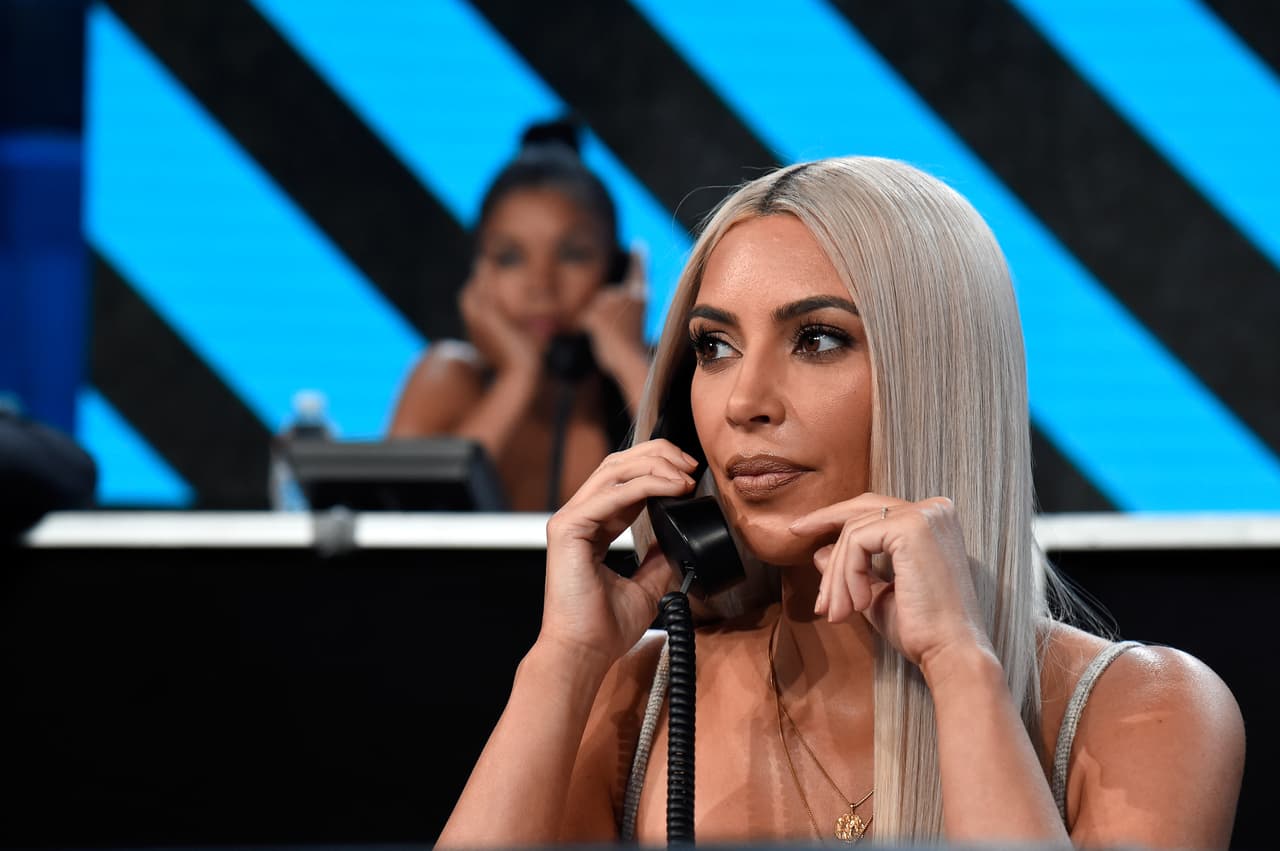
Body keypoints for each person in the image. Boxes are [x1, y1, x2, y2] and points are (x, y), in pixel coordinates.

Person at [437, 158, 1244, 847]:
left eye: (816, 339)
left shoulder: (1145, 710)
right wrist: (563, 660)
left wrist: (962, 670)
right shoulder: (634, 698)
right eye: (714, 347)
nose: (743, 400)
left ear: (939, 381)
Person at [388, 120, 650, 511]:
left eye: (572, 254)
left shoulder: (655, 377)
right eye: (511, 258)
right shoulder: (446, 379)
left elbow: (708, 514)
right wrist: (517, 376)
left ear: (616, 271)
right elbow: (398, 530)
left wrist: (631, 363)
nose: (541, 285)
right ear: (479, 273)